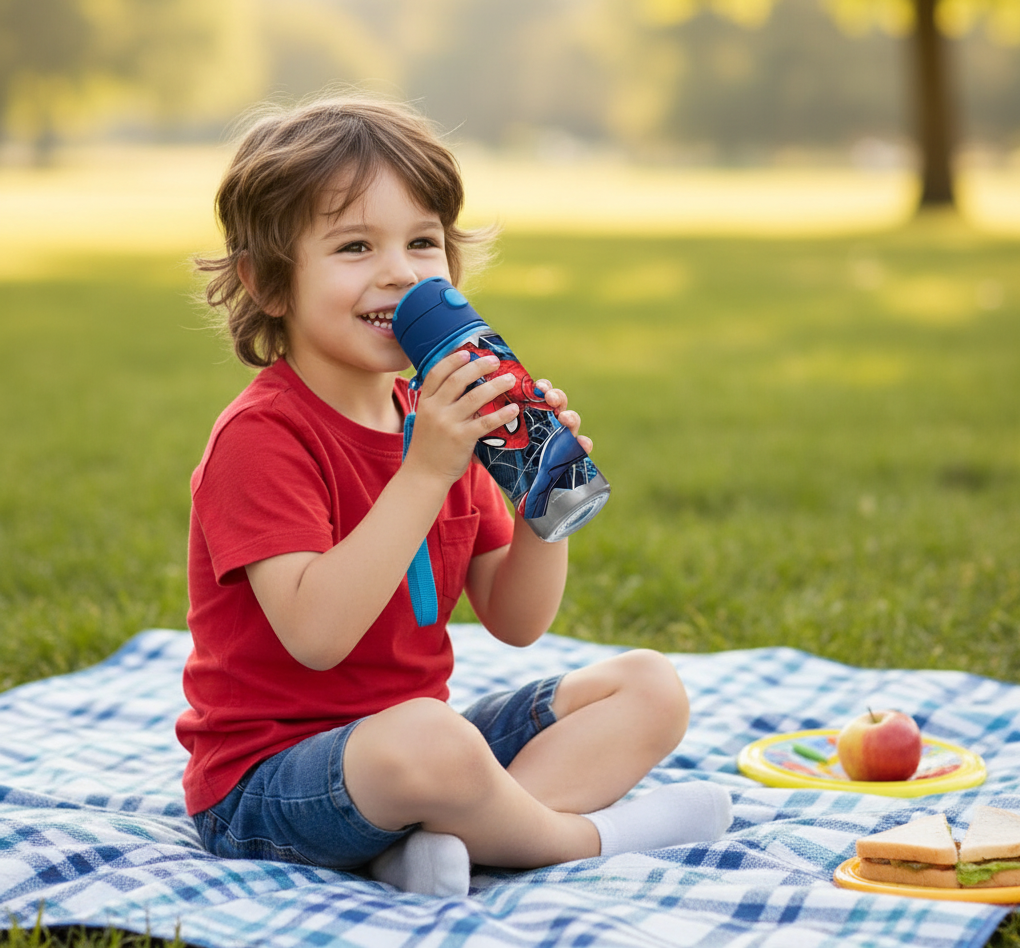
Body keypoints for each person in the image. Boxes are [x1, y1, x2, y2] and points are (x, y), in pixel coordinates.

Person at [175, 96, 732, 897]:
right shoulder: (262, 438)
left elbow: (516, 619)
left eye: (422, 242)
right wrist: (425, 471)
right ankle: (582, 840)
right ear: (268, 283)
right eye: (355, 245)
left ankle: (438, 842)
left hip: (422, 752)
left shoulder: (441, 417)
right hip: (270, 785)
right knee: (431, 741)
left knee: (649, 687)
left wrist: (544, 497)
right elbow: (317, 636)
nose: (400, 272)